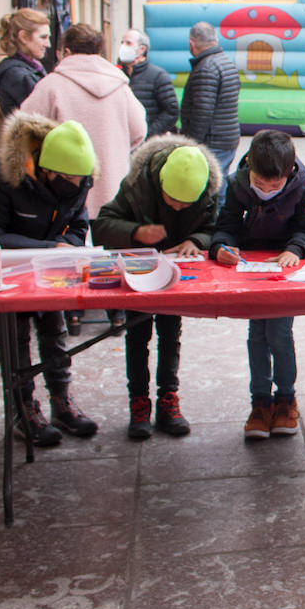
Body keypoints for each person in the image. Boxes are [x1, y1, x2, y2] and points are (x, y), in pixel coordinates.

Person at [0, 115, 99, 446]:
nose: (76, 185)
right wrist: (47, 248)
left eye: (81, 179)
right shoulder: (0, 179)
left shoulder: (77, 183)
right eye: (68, 178)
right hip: (6, 273)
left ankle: (61, 401)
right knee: (15, 339)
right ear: (45, 169)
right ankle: (22, 409)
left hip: (51, 273)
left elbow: (79, 225)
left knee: (55, 333)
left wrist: (71, 246)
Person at [92, 136, 219, 439]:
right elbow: (103, 224)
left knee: (170, 335)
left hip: (175, 276)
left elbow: (215, 228)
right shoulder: (137, 185)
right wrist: (136, 232)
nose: (176, 208)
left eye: (184, 205)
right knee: (137, 337)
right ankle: (138, 403)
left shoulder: (207, 192)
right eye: (171, 201)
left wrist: (195, 241)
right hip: (139, 275)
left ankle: (168, 400)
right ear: (160, 182)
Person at [210, 130, 305, 440]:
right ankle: (259, 403)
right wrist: (222, 247)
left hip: (283, 270)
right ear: (250, 170)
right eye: (259, 184)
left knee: (280, 334)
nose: (266, 190)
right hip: (249, 269)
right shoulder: (236, 184)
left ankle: (286, 399)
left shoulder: (303, 187)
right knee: (256, 334)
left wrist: (295, 249)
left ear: (289, 173)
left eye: (275, 186)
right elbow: (225, 224)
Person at [21, 22, 147, 218]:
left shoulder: (51, 86)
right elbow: (139, 130)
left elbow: (24, 131)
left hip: (63, 187)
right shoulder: (120, 86)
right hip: (112, 184)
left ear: (66, 51)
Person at [182, 20, 242, 204]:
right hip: (228, 136)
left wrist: (191, 143)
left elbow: (202, 112)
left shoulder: (206, 68)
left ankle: (215, 227)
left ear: (192, 43)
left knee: (212, 190)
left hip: (212, 140)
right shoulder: (226, 62)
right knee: (220, 184)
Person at [0, 8, 50, 164]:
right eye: (43, 37)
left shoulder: (30, 67)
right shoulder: (11, 70)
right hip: (15, 156)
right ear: (23, 37)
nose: (48, 44)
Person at [118, 28, 179, 138]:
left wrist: (149, 134)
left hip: (147, 143)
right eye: (122, 42)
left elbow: (171, 111)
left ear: (142, 49)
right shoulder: (117, 75)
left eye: (128, 43)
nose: (123, 46)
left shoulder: (158, 76)